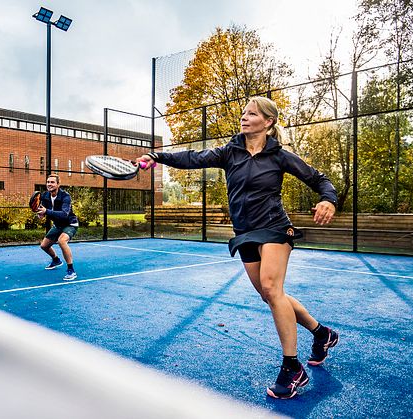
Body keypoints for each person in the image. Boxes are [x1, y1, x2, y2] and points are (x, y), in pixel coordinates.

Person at [137, 96, 339, 400]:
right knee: (271, 296)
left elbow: (319, 179)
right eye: (243, 113)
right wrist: (158, 156)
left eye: (252, 114)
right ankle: (321, 333)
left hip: (274, 226)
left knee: (272, 289)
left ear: (268, 122)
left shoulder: (280, 156)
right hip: (244, 232)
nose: (244, 118)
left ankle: (292, 367)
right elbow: (193, 158)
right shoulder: (229, 152)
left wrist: (328, 199)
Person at [36, 174, 79, 281]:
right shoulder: (45, 196)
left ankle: (71, 270)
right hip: (58, 225)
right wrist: (41, 214)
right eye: (48, 182)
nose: (49, 184)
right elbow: (43, 211)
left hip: (70, 224)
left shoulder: (65, 196)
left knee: (62, 241)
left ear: (58, 184)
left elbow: (64, 214)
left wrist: (47, 211)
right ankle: (56, 260)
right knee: (44, 246)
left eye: (52, 182)